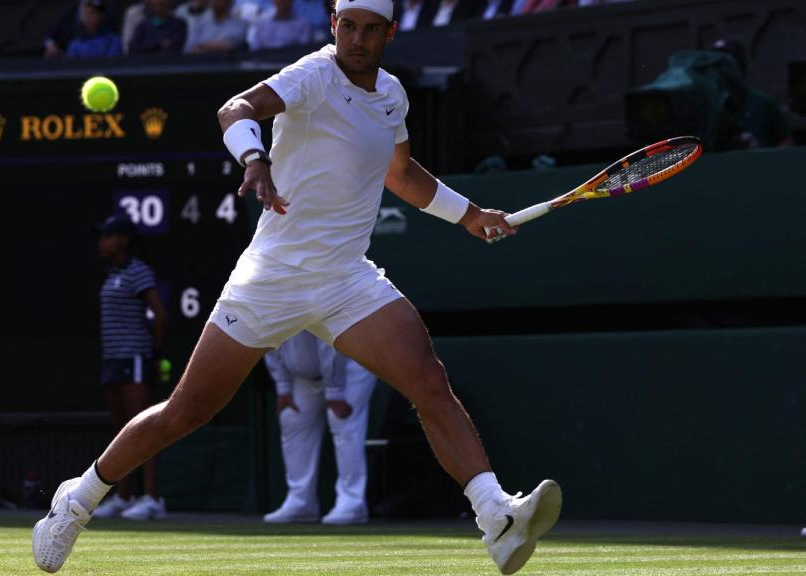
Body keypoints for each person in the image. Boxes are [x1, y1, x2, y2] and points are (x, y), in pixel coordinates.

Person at [32, 0, 561, 574]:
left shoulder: (392, 96)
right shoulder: (311, 75)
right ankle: (76, 501)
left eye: (369, 29)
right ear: (334, 26)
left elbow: (402, 175)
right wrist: (254, 159)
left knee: (428, 379)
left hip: (346, 277)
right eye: (347, 26)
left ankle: (497, 517)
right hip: (272, 277)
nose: (356, 39)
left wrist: (469, 214)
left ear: (390, 32)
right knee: (187, 410)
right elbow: (235, 109)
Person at [89, 215, 169, 521]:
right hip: (113, 359)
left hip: (135, 358)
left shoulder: (139, 272)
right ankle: (123, 496)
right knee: (121, 430)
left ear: (122, 239)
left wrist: (153, 354)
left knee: (143, 428)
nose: (102, 242)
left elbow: (160, 315)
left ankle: (152, 498)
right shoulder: (111, 274)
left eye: (108, 236)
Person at [263, 331, 375, 525]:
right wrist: (283, 387)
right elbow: (266, 339)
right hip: (303, 375)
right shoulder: (262, 303)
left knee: (342, 422)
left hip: (349, 365)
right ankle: (300, 502)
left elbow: (328, 339)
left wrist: (335, 392)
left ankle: (352, 502)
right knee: (292, 418)